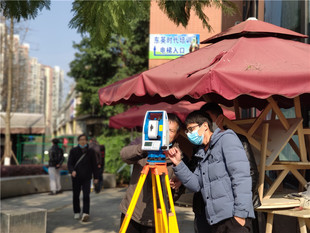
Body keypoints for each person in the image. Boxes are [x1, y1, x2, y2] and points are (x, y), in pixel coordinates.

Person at [167, 110, 255, 233]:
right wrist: (178, 163)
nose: (189, 134)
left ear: (205, 126)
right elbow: (195, 185)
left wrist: (240, 215)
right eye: (187, 131)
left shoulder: (227, 139)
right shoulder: (201, 153)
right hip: (215, 220)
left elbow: (241, 178)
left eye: (191, 129)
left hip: (233, 219)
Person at [200, 102, 261, 233]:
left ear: (220, 119)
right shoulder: (201, 146)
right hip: (208, 212)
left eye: (208, 120)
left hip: (233, 214)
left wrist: (239, 212)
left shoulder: (236, 139)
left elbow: (250, 174)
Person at [119, 113, 185, 233]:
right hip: (132, 212)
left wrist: (177, 186)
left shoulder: (178, 156)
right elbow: (124, 155)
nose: (165, 133)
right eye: (163, 129)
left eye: (170, 131)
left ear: (176, 134)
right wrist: (144, 147)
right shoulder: (142, 143)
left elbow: (180, 188)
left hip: (157, 217)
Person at [68, 134, 99, 222]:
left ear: (86, 141)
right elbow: (70, 163)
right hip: (76, 177)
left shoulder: (91, 151)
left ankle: (86, 212)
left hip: (87, 177)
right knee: (76, 195)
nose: (82, 141)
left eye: (84, 139)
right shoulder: (73, 151)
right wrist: (72, 171)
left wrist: (96, 177)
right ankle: (76, 212)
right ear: (78, 141)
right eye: (81, 139)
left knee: (86, 195)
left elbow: (94, 165)